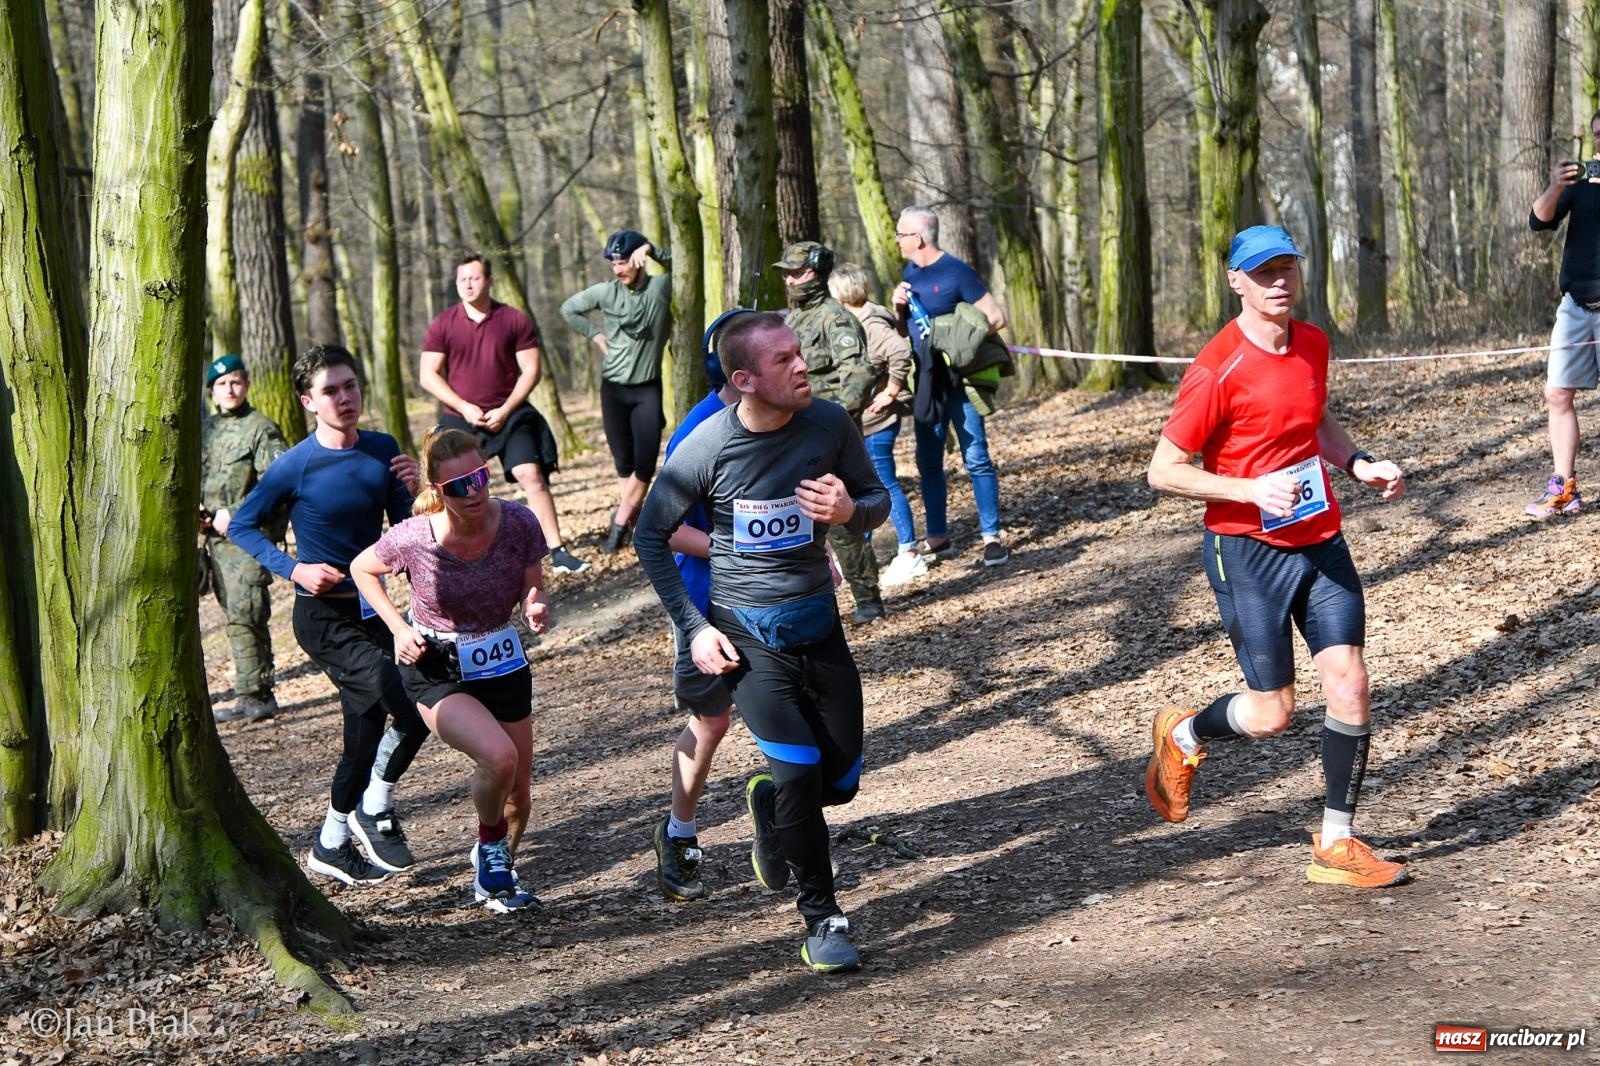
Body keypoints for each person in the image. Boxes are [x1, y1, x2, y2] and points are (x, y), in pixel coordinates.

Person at [1144, 225, 1410, 889]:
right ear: (1236, 282)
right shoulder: (1216, 368)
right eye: (1263, 273)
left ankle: (1337, 841)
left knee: (1349, 680)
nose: (1279, 282)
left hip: (1320, 538)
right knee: (1272, 714)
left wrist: (1357, 462)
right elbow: (1163, 471)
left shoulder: (1314, 342)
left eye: (1287, 268)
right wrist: (1249, 488)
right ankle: (1184, 734)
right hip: (1247, 551)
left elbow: (1314, 419)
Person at [634, 312, 889, 974]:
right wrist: (696, 628)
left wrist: (850, 514)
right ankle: (823, 918)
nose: (803, 366)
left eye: (800, 354)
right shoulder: (706, 447)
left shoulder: (829, 425)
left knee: (842, 780)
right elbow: (649, 536)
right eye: (784, 361)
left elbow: (875, 497)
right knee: (799, 769)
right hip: (747, 637)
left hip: (818, 625)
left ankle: (774, 807)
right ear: (744, 379)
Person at [228, 345, 430, 886]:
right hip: (324, 620)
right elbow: (241, 526)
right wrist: (293, 569)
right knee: (409, 701)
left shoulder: (383, 449)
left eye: (349, 385)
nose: (344, 398)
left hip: (376, 611)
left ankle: (331, 840)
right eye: (330, 391)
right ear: (308, 402)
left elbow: (403, 533)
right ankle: (374, 808)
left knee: (367, 734)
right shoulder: (294, 466)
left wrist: (417, 492)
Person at [350, 428, 550, 909]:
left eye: (480, 477)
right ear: (438, 491)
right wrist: (399, 629)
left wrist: (534, 605)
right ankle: (492, 856)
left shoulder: (520, 522)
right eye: (459, 485)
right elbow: (361, 568)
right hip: (436, 664)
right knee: (499, 758)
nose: (474, 491)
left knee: (519, 795)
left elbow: (532, 585)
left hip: (501, 659)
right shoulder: (415, 536)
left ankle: (494, 870)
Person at [421, 252, 589, 574]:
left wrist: (506, 408)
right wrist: (464, 407)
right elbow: (428, 375)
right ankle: (452, 555)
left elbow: (531, 370)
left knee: (532, 475)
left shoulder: (513, 319)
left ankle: (557, 551)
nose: (468, 284)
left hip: (511, 414)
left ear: (489, 281)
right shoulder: (443, 324)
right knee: (453, 487)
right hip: (461, 418)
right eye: (462, 279)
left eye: (475, 278)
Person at [650, 327, 740, 903]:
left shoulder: (790, 421)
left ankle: (790, 824)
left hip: (776, 595)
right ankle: (678, 832)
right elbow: (667, 530)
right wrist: (738, 551)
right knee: (712, 722)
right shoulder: (698, 433)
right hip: (705, 599)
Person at [891, 205, 1011, 567]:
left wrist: (959, 343)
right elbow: (904, 332)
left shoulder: (956, 271)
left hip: (960, 382)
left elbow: (995, 317)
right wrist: (898, 311)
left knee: (976, 457)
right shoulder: (908, 273)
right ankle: (938, 537)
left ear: (919, 238)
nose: (896, 240)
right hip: (927, 382)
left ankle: (992, 538)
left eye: (901, 234)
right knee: (928, 461)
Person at [775, 240, 885, 622]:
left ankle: (868, 597)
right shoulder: (792, 321)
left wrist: (834, 419)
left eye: (797, 272)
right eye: (786, 273)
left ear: (817, 272)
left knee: (837, 519)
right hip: (790, 433)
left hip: (827, 436)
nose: (790, 280)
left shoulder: (834, 319)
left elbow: (858, 373)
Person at [559, 230, 672, 552]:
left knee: (645, 464)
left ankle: (619, 522)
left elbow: (684, 270)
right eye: (614, 263)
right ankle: (635, 526)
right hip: (613, 390)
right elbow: (569, 309)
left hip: (647, 389)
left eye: (624, 262)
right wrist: (595, 336)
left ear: (638, 259)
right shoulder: (606, 292)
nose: (618, 269)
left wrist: (654, 251)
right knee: (624, 463)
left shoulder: (660, 289)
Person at [199, 352, 288, 724]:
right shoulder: (206, 430)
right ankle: (252, 689)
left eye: (236, 381)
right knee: (234, 614)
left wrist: (232, 514)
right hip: (213, 541)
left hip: (246, 538)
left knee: (246, 614)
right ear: (212, 393)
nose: (229, 389)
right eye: (221, 384)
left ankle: (255, 695)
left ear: (247, 384)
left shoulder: (261, 428)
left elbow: (276, 485)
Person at [828, 262, 925, 589]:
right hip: (862, 421)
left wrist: (890, 392)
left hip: (877, 420)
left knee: (883, 482)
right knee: (864, 486)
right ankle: (863, 548)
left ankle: (909, 551)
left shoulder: (870, 323)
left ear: (841, 294)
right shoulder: (857, 320)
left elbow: (900, 351)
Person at [1526, 116, 1600, 519]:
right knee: (1557, 394)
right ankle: (1564, 487)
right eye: (1598, 136)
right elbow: (1537, 220)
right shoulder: (1581, 182)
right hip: (1575, 306)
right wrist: (1557, 183)